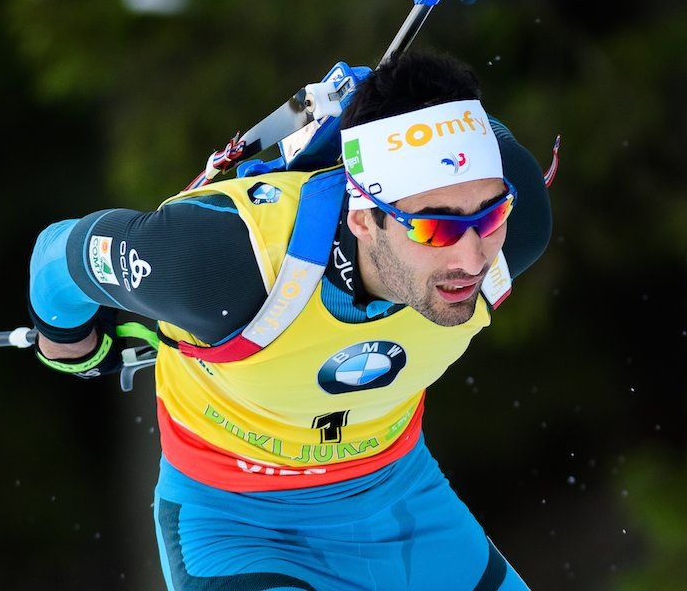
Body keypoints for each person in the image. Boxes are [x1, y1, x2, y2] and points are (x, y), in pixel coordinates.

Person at [28, 51, 552, 590]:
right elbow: (55, 258)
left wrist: (392, 105)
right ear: (364, 217)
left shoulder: (521, 226)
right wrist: (68, 340)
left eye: (491, 214)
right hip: (239, 523)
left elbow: (476, 127)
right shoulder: (227, 263)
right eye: (434, 229)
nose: (472, 258)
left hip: (403, 506)